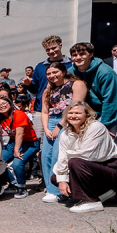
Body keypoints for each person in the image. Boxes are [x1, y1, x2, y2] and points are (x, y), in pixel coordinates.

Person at [52, 102, 117, 213]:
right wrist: (62, 179)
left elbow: (88, 155)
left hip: (113, 169)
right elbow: (62, 157)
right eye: (70, 113)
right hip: (91, 168)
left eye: (78, 113)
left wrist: (67, 159)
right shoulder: (66, 133)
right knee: (56, 178)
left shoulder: (96, 127)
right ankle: (102, 193)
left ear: (87, 115)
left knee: (75, 162)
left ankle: (92, 201)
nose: (73, 116)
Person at [40, 62, 87, 202]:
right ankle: (50, 187)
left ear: (63, 71)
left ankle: (57, 191)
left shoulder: (76, 84)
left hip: (68, 120)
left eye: (55, 72)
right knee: (45, 155)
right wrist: (46, 128)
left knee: (58, 154)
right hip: (51, 120)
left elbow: (76, 106)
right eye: (48, 73)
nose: (52, 76)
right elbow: (44, 111)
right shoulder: (48, 90)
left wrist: (60, 126)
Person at [22, 35, 73, 149]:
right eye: (48, 50)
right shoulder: (40, 66)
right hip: (42, 110)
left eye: (54, 48)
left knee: (65, 143)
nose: (51, 51)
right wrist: (29, 85)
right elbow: (36, 90)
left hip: (64, 111)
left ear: (60, 45)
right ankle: (41, 166)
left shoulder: (71, 64)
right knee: (40, 143)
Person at [68, 42, 117, 132]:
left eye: (82, 54)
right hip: (89, 114)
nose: (78, 58)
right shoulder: (71, 72)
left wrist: (105, 125)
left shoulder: (105, 72)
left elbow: (110, 100)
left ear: (91, 54)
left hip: (111, 113)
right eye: (74, 55)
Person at [0, 97, 39, 199]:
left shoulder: (19, 114)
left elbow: (20, 134)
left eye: (4, 103)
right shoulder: (0, 117)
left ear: (10, 103)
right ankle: (14, 183)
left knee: (17, 163)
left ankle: (22, 187)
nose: (2, 106)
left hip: (30, 143)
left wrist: (16, 151)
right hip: (13, 142)